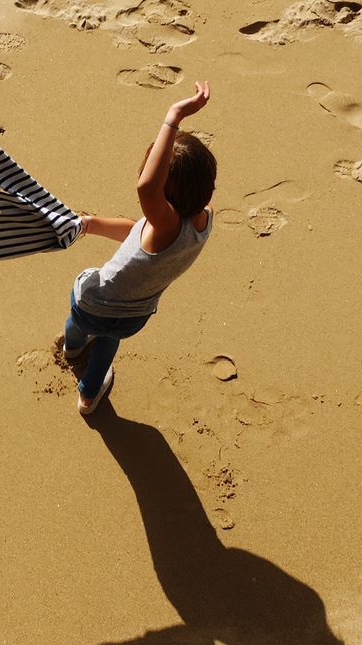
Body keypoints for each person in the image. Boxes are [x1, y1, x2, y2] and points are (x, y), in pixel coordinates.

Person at [65, 81, 216, 415]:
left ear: (163, 200)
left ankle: (72, 349)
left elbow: (147, 188)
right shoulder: (202, 222)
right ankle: (89, 397)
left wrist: (174, 116)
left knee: (78, 323)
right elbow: (138, 233)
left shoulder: (167, 223)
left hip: (92, 303)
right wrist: (92, 224)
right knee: (107, 344)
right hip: (135, 315)